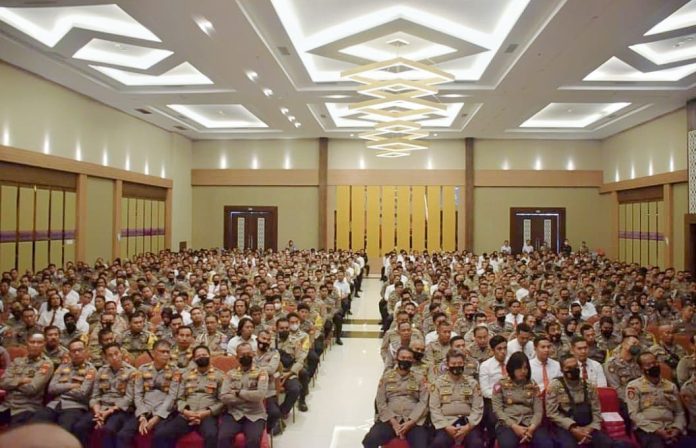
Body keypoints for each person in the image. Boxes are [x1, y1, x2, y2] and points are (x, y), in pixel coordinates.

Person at [546, 354, 630, 448]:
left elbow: (596, 410)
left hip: (588, 425)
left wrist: (589, 429)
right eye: (569, 368)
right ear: (562, 370)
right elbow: (552, 413)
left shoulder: (589, 385)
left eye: (575, 367)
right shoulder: (555, 386)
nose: (573, 370)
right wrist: (573, 429)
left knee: (609, 444)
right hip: (566, 427)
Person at [151, 345, 224, 448]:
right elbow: (178, 398)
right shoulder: (185, 375)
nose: (202, 357)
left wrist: (206, 412)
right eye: (198, 356)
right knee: (162, 434)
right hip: (187, 414)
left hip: (207, 415)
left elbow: (223, 401)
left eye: (204, 355)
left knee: (211, 435)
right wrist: (186, 412)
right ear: (194, 359)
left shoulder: (220, 376)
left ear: (209, 356)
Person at [74, 342, 136, 448]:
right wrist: (98, 413)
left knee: (108, 430)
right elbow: (95, 395)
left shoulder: (132, 372)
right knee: (80, 427)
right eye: (110, 355)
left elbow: (129, 398)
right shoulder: (102, 370)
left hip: (119, 410)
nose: (114, 357)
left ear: (122, 353)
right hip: (101, 408)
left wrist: (108, 412)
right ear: (105, 357)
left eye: (116, 353)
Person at [363, 347, 428, 448]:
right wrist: (393, 423)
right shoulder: (386, 377)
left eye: (409, 358)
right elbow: (380, 402)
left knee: (422, 444)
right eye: (403, 357)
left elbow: (424, 402)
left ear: (413, 360)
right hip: (390, 419)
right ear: (396, 359)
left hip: (413, 421)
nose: (405, 360)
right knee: (369, 440)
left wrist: (410, 422)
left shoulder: (420, 378)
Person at [626, 351, 694, 448]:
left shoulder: (671, 386)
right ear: (641, 369)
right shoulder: (634, 386)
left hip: (671, 427)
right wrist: (657, 430)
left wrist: (676, 428)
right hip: (648, 430)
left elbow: (679, 412)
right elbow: (634, 415)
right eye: (648, 365)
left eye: (655, 363)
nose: (653, 366)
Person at [30, 338, 97, 433]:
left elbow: (82, 393)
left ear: (85, 351)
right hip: (54, 405)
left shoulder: (91, 370)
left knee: (63, 431)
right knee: (34, 424)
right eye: (74, 351)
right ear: (69, 353)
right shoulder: (63, 366)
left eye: (80, 350)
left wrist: (60, 389)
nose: (77, 353)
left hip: (74, 406)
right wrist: (71, 386)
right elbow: (51, 388)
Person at [492, 352, 552, 448]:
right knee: (508, 444)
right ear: (512, 368)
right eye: (519, 368)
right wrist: (514, 427)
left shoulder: (532, 385)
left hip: (530, 422)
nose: (523, 371)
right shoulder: (500, 384)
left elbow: (538, 411)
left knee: (546, 444)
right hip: (508, 423)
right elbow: (497, 410)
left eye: (525, 368)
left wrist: (532, 427)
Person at [429, 349, 484, 448]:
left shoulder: (472, 383)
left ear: (464, 363)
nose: (456, 366)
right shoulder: (438, 383)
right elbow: (434, 408)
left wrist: (468, 427)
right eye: (453, 363)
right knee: (438, 443)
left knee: (477, 444)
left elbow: (478, 408)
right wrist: (446, 426)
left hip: (467, 422)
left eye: (460, 363)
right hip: (446, 423)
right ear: (447, 364)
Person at [218, 342, 269, 448]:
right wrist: (249, 397)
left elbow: (260, 395)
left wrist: (238, 393)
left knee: (253, 440)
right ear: (237, 356)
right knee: (223, 437)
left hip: (255, 414)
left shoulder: (261, 372)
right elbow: (223, 397)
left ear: (253, 354)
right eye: (242, 354)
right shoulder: (230, 374)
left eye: (248, 353)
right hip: (234, 413)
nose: (246, 356)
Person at [0, 332, 54, 426]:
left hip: (26, 408)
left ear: (44, 344)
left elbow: (32, 389)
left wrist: (12, 382)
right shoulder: (17, 361)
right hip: (6, 406)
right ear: (27, 344)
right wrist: (20, 381)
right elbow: (2, 382)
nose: (35, 345)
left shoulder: (46, 364)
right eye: (32, 342)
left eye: (39, 342)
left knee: (14, 435)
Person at [479, 335, 510, 446]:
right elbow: (485, 390)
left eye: (505, 348)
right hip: (493, 400)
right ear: (492, 350)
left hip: (512, 399)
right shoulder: (485, 366)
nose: (503, 352)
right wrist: (499, 397)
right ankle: (493, 442)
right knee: (492, 419)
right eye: (499, 349)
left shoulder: (511, 363)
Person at [275, 317, 305, 416]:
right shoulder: (270, 341)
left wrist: (289, 373)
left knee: (295, 389)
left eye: (287, 328)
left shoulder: (296, 342)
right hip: (271, 373)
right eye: (282, 328)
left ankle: (282, 412)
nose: (284, 330)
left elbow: (300, 361)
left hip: (288, 372)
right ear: (276, 329)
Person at [254, 330, 282, 435]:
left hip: (268, 391)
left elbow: (271, 369)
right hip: (251, 389)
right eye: (263, 338)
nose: (265, 341)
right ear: (257, 339)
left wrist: (254, 371)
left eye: (268, 339)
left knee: (274, 413)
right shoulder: (250, 351)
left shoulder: (274, 353)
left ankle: (267, 431)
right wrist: (262, 370)